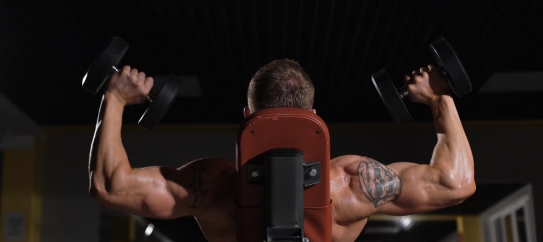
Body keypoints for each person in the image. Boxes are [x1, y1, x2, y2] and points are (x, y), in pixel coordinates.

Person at [88, 59, 475, 242]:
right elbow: (455, 183)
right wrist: (439, 99)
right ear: (313, 117)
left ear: (247, 117)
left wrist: (116, 98)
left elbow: (110, 185)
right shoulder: (354, 184)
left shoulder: (214, 186)